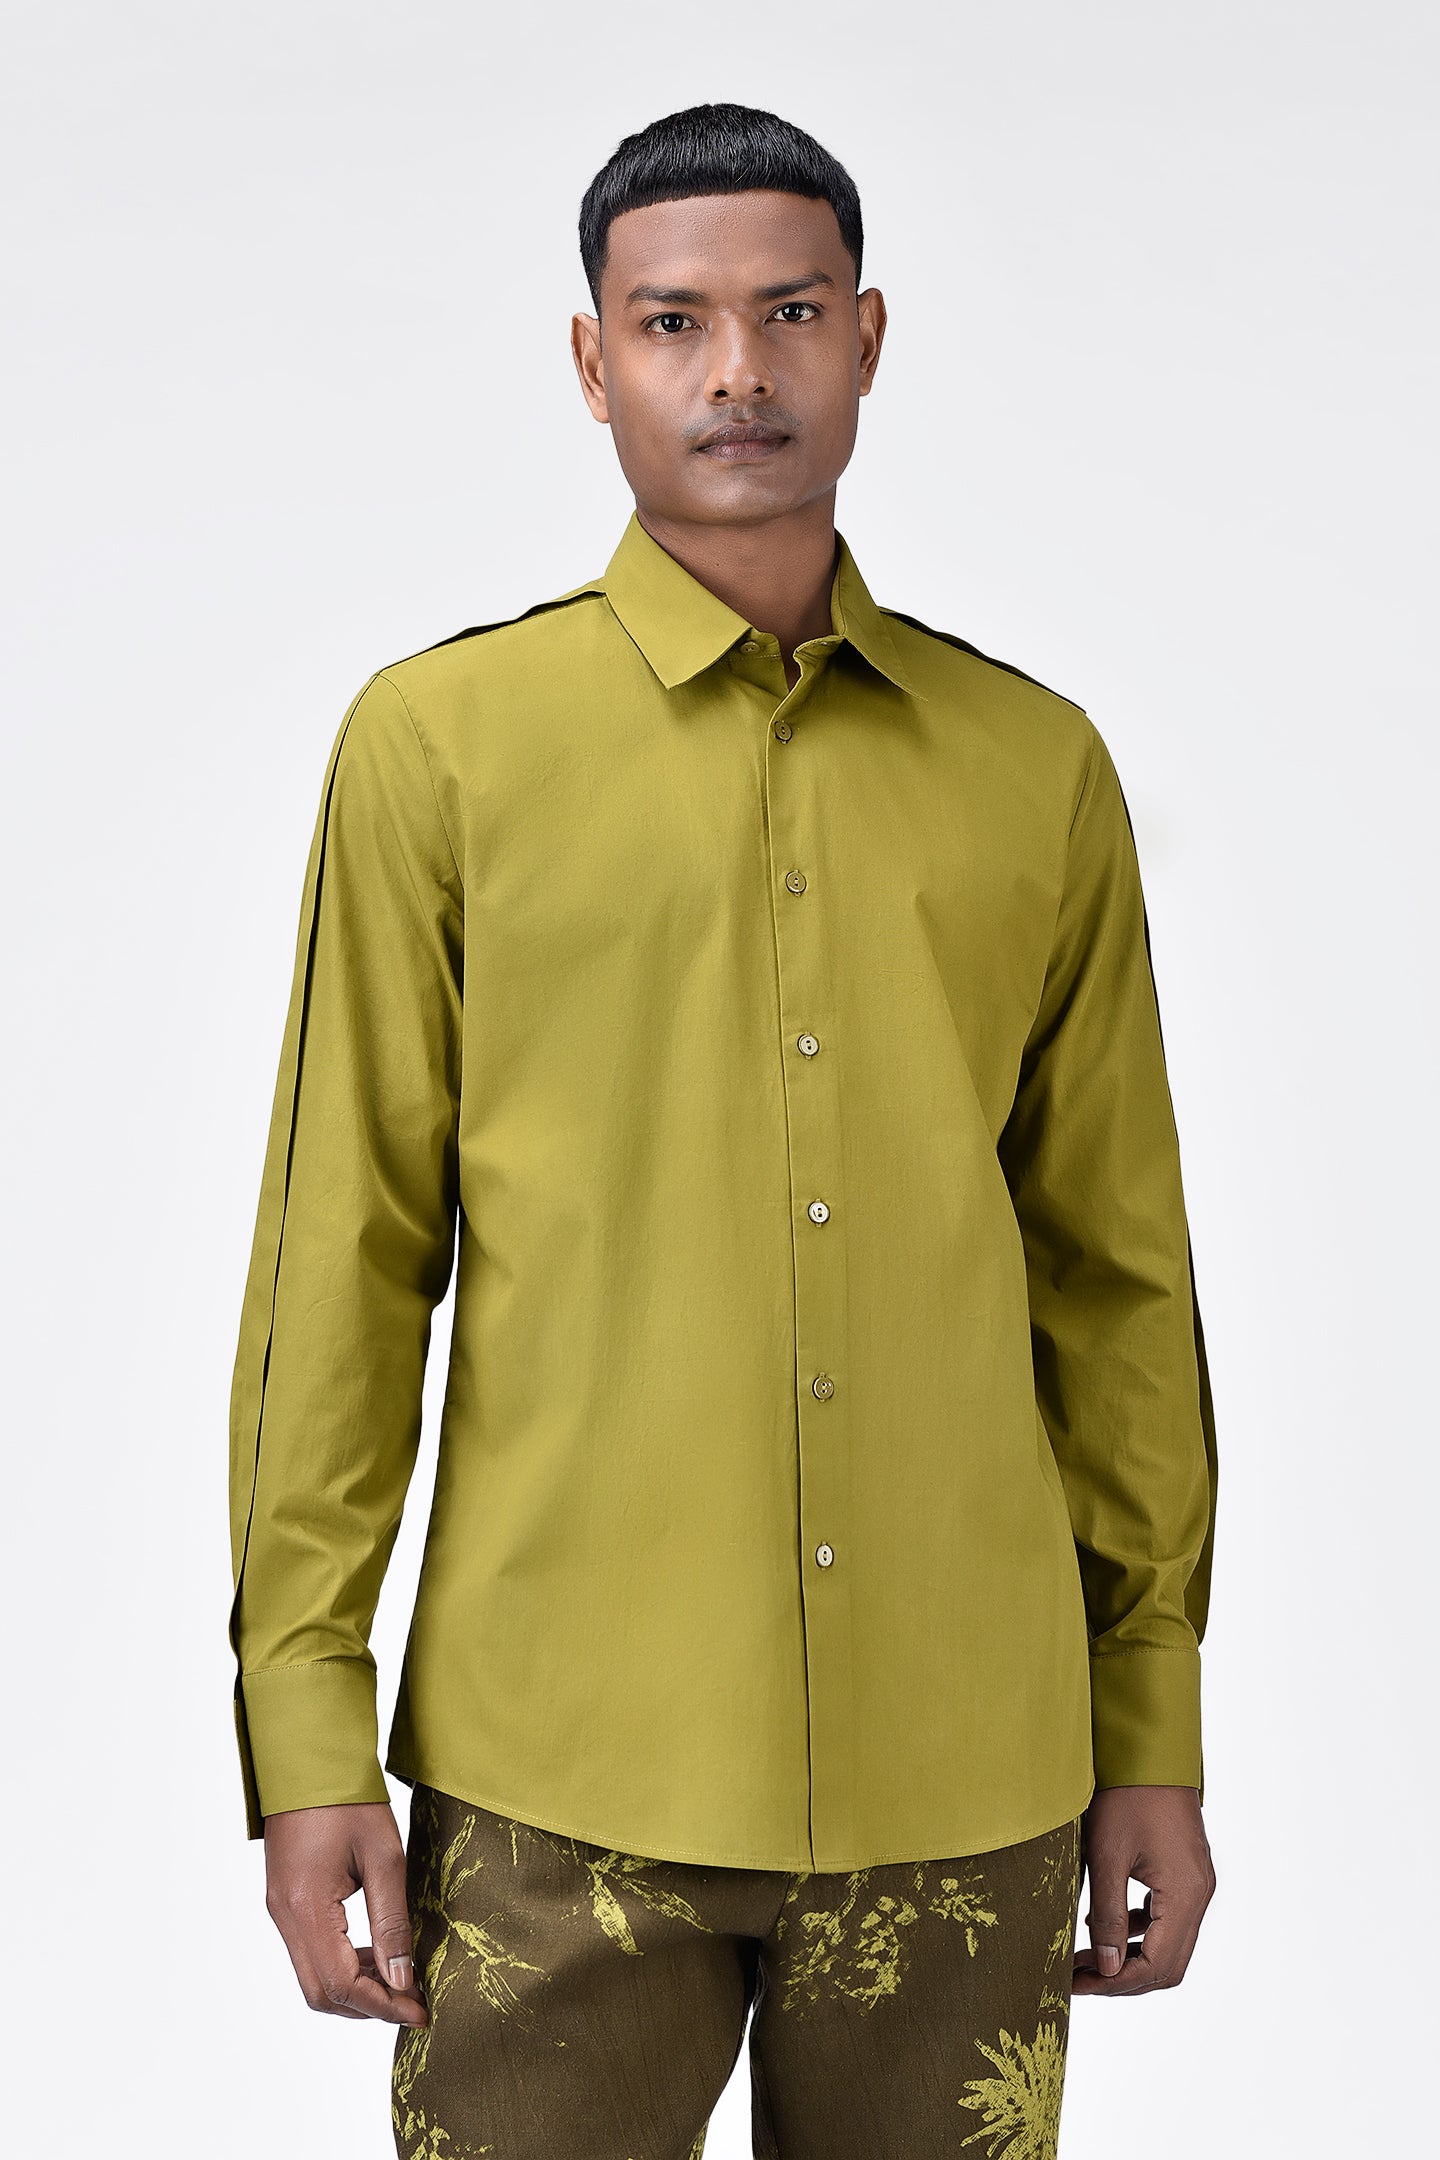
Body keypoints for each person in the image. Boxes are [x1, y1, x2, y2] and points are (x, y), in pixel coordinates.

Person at [228, 101, 1219, 2159]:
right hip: (557, 1781)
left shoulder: (1034, 768)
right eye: (673, 322)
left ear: (869, 338)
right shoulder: (440, 751)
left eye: (789, 314)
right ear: (594, 362)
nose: (738, 372)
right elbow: (345, 1262)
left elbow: (1119, 1278)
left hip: (970, 1772)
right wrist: (306, 1729)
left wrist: (1155, 1723)